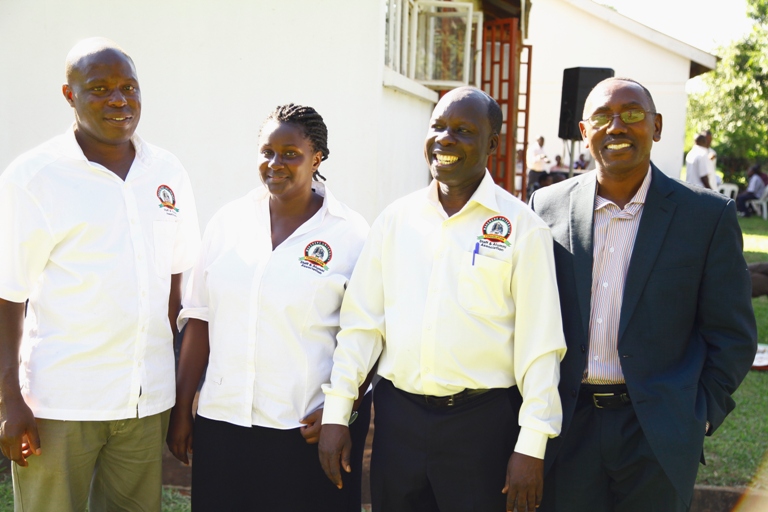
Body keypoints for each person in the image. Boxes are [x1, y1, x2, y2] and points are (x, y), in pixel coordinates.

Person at [319, 86, 567, 512]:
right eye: (438, 126)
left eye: (463, 130)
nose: (445, 139)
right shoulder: (395, 220)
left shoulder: (522, 228)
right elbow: (362, 326)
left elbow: (540, 346)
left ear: (492, 143)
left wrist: (532, 443)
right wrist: (336, 413)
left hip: (482, 427)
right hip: (399, 422)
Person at [529, 77, 757, 511]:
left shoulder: (706, 216)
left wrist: (699, 414)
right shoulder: (546, 206)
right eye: (602, 117)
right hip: (568, 425)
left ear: (657, 126)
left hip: (657, 430)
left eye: (632, 115)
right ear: (583, 131)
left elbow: (733, 334)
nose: (617, 127)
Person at [0, 38, 200, 511]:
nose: (119, 100)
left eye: (129, 87)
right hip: (60, 403)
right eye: (100, 88)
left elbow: (176, 285)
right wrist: (10, 399)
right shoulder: (34, 177)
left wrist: (175, 387)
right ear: (69, 95)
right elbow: (8, 294)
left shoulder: (167, 171)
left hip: (144, 402)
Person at [166, 104, 372, 512]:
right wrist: (182, 408)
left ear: (318, 158)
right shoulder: (228, 222)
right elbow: (201, 318)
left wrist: (341, 410)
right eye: (267, 151)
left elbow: (365, 335)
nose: (276, 163)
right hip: (222, 423)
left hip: (300, 428)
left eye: (290, 153)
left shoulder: (351, 234)